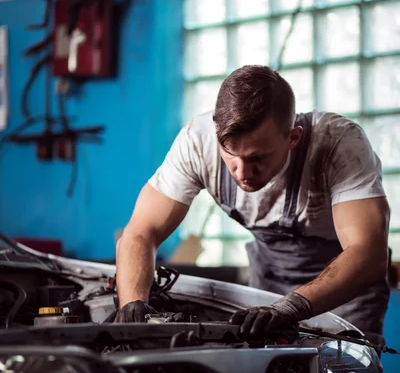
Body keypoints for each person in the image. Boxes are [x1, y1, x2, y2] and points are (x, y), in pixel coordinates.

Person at [115, 65, 390, 340]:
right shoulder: (197, 142)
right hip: (268, 282)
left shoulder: (337, 143)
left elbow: (368, 253)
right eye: (230, 154)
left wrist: (292, 306)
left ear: (293, 138)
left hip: (346, 293)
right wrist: (133, 306)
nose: (242, 172)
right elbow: (141, 231)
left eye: (258, 158)